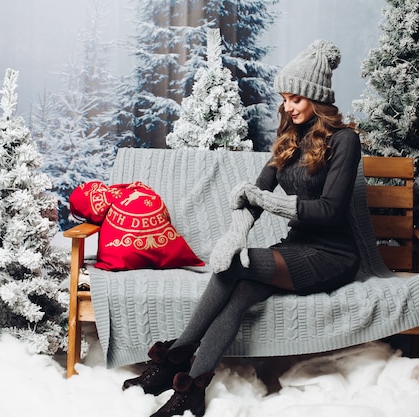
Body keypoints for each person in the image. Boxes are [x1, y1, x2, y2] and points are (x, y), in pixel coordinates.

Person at [122, 39, 362, 417]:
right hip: (296, 247)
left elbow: (330, 211)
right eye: (285, 98)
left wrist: (261, 211)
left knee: (234, 266)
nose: (288, 107)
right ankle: (193, 388)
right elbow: (255, 194)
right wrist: (237, 233)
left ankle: (173, 359)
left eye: (295, 99)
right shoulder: (289, 140)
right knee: (239, 291)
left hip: (333, 255)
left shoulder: (345, 140)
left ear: (316, 99)